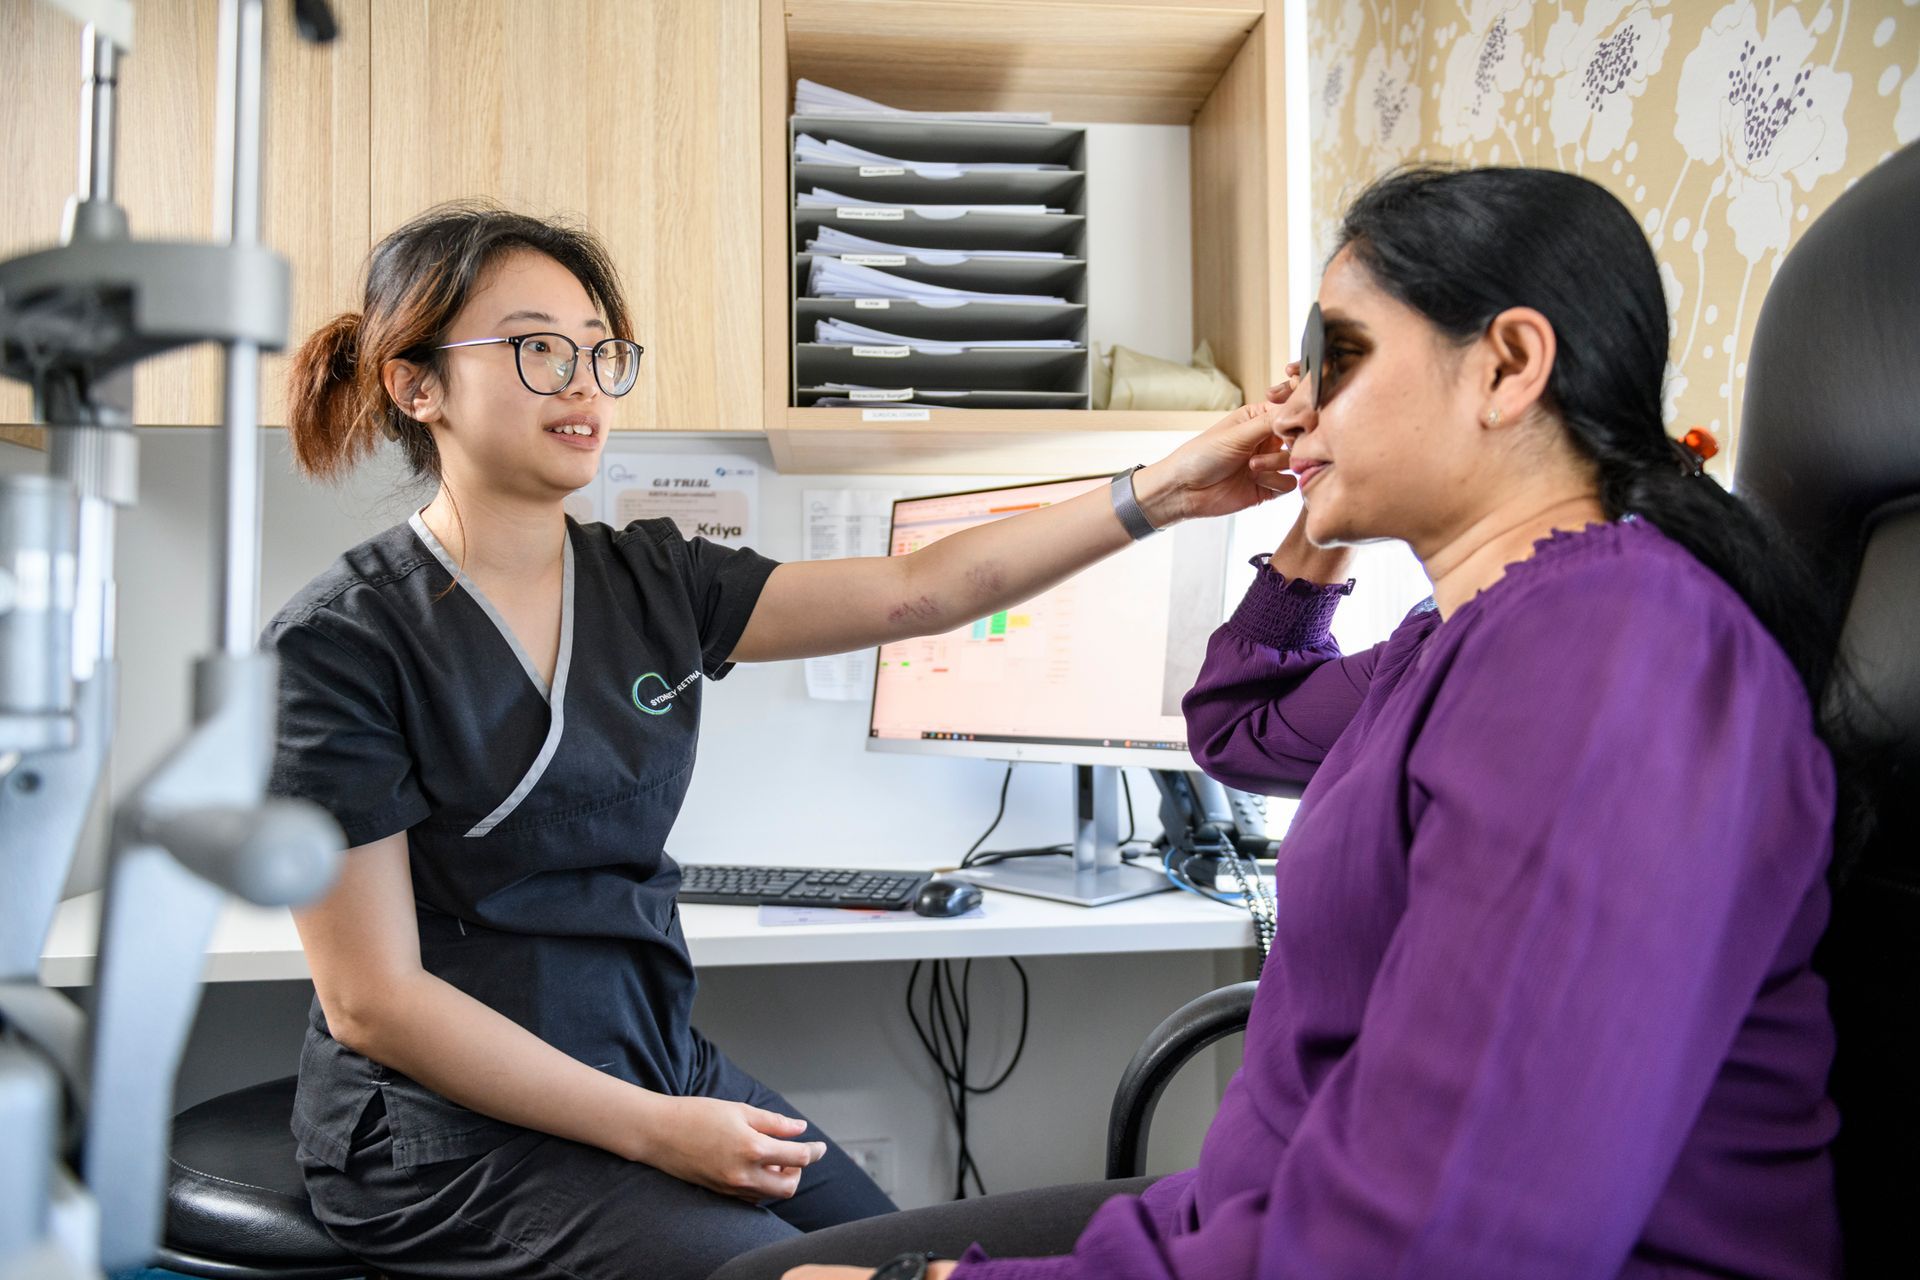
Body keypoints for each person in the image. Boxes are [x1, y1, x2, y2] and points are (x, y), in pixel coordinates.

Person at [724, 166, 1849, 1280]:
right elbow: (1236, 726)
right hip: (1273, 1208)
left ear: (1507, 366)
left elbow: (1437, 1242)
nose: (1299, 405)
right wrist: (1314, 501)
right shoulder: (1458, 638)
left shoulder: (1612, 648)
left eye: (1339, 356)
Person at [266, 200, 1289, 1280]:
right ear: (414, 384)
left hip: (651, 1061)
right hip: (444, 1133)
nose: (582, 380)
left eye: (600, 350)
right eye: (536, 347)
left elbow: (921, 591)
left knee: (920, 1243)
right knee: (797, 1275)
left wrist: (1166, 491)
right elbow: (372, 1000)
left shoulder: (652, 580)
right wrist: (656, 1128)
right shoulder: (342, 642)